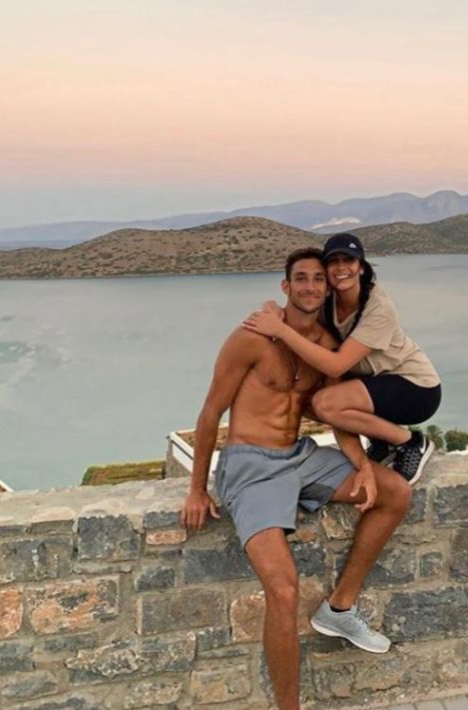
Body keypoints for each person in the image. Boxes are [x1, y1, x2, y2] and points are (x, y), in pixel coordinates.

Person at [180, 248, 411, 710]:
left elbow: (335, 415)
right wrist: (197, 488)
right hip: (251, 466)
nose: (309, 287)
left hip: (299, 457)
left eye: (318, 279)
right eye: (300, 278)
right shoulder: (251, 338)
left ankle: (340, 607)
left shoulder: (325, 347)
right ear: (285, 286)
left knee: (395, 492)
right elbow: (210, 413)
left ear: (327, 288)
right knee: (284, 591)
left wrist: (363, 465)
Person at [243, 233, 441, 486]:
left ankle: (411, 442)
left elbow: (337, 365)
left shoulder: (378, 308)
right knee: (303, 398)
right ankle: (382, 441)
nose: (341, 268)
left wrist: (281, 330)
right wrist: (271, 307)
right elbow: (293, 310)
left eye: (348, 260)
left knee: (326, 403)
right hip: (374, 385)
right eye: (333, 261)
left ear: (361, 267)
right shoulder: (329, 299)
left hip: (415, 388)